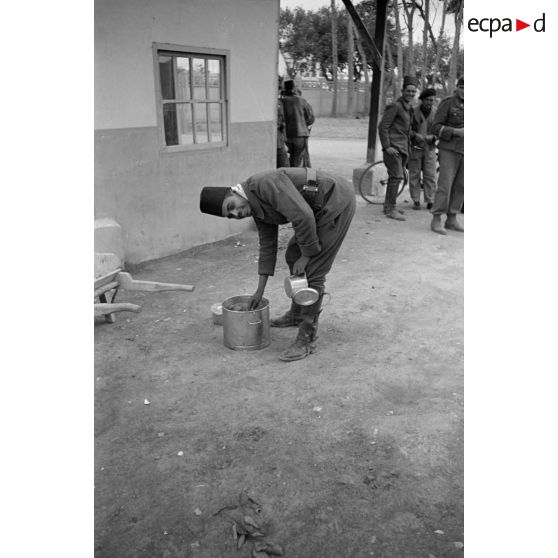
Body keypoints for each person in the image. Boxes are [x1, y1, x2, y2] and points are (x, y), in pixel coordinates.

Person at [199, 168, 356, 362]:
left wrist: (307, 256)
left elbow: (303, 216)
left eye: (232, 206)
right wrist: (259, 291)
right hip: (317, 209)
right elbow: (267, 247)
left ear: (234, 192)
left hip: (335, 201)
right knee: (292, 255)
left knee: (313, 270)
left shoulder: (263, 185)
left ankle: (307, 339)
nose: (236, 213)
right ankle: (297, 314)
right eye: (231, 215)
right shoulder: (256, 208)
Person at [378, 76, 419, 221]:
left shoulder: (408, 108)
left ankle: (389, 206)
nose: (411, 94)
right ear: (403, 91)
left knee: (394, 178)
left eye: (413, 91)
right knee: (396, 177)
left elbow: (406, 130)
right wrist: (387, 146)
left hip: (402, 149)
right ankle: (391, 209)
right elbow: (383, 126)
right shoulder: (395, 106)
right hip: (394, 148)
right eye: (408, 91)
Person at [430, 76, 464, 234]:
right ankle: (436, 218)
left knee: (461, 186)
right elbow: (435, 127)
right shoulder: (448, 103)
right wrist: (457, 132)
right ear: (457, 87)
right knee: (445, 185)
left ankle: (452, 218)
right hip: (449, 149)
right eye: (462, 88)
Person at [409, 88, 438, 210]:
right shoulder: (413, 112)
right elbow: (406, 129)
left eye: (432, 100)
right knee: (414, 174)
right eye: (427, 100)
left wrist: (435, 136)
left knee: (430, 175)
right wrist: (415, 135)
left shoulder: (437, 113)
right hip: (415, 148)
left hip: (430, 148)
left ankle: (430, 199)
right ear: (422, 100)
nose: (430, 103)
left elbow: (440, 129)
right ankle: (416, 200)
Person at [281, 79, 315, 167]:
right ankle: (294, 175)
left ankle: (289, 173)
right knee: (298, 158)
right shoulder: (301, 100)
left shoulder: (280, 101)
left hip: (285, 135)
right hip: (300, 134)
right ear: (294, 89)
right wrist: (304, 124)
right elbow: (311, 118)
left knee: (287, 158)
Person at [276, 98, 290, 168]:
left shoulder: (278, 102)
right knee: (285, 166)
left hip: (279, 141)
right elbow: (281, 123)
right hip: (278, 142)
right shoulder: (277, 103)